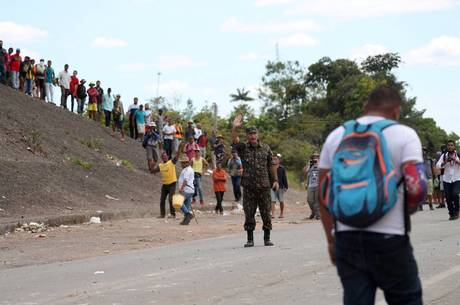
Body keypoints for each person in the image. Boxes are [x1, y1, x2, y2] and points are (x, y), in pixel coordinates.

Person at [318, 85, 427, 305]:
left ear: (365, 107)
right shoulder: (405, 135)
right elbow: (417, 187)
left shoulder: (336, 136)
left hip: (347, 239)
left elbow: (323, 194)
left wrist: (331, 240)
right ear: (397, 110)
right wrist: (406, 209)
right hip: (390, 238)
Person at [232, 116, 279, 247]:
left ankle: (267, 238)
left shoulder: (266, 148)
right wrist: (234, 127)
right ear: (247, 135)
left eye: (254, 133)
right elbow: (235, 140)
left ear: (257, 134)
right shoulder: (243, 148)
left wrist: (275, 179)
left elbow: (271, 164)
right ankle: (250, 239)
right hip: (248, 187)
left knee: (266, 213)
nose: (252, 136)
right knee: (249, 213)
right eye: (250, 133)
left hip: (264, 186)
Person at [153, 149, 182, 219]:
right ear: (161, 158)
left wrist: (180, 148)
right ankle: (162, 214)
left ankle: (173, 214)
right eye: (163, 156)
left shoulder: (171, 162)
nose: (164, 157)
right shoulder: (160, 165)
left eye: (165, 156)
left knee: (170, 199)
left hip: (172, 184)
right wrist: (152, 165)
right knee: (162, 199)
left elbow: (177, 156)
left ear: (168, 156)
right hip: (165, 184)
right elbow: (153, 171)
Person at [436, 140, 460, 220]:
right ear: (447, 146)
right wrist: (445, 162)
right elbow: (438, 165)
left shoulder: (458, 155)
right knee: (448, 197)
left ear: (454, 146)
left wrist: (456, 161)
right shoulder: (443, 156)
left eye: (451, 145)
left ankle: (457, 211)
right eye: (449, 145)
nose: (450, 146)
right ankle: (451, 213)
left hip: (457, 178)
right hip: (447, 179)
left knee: (455, 194)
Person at [178, 155, 195, 225]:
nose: (181, 164)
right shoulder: (188, 169)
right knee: (186, 205)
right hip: (190, 189)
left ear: (186, 163)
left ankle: (188, 214)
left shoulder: (187, 170)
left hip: (187, 189)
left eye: (182, 163)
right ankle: (186, 221)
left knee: (179, 202)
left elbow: (185, 180)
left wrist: (181, 189)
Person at [304, 152, 321, 220]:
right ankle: (314, 212)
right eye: (314, 157)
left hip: (318, 184)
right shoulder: (310, 165)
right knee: (310, 200)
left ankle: (318, 215)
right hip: (311, 184)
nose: (315, 158)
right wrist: (309, 164)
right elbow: (305, 171)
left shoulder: (321, 164)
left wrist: (318, 163)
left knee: (316, 200)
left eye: (316, 157)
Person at [271, 154, 288, 219]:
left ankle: (281, 213)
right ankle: (273, 214)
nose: (274, 160)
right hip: (272, 186)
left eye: (276, 159)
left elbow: (284, 178)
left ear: (279, 160)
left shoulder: (282, 168)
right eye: (273, 159)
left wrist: (286, 186)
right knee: (272, 200)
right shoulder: (270, 167)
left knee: (281, 200)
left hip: (280, 186)